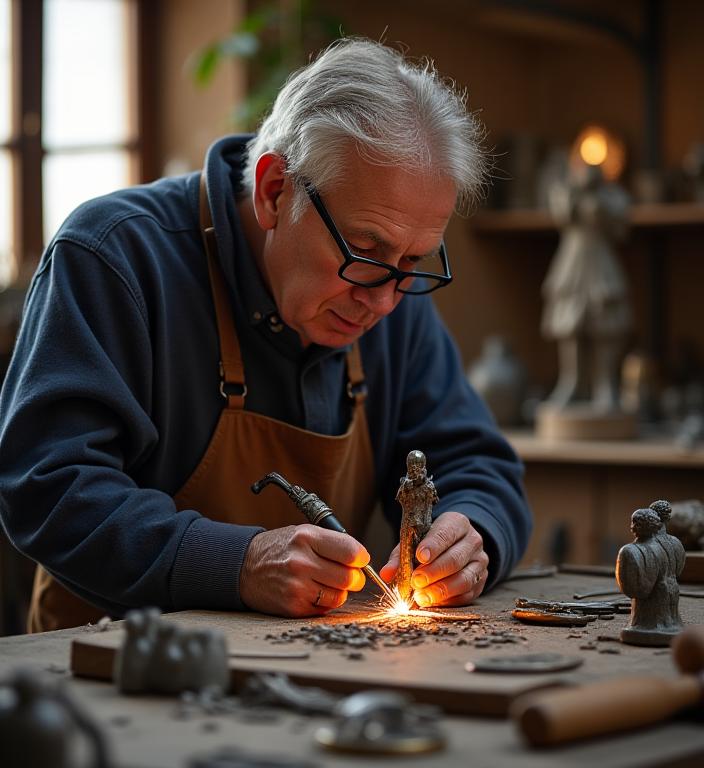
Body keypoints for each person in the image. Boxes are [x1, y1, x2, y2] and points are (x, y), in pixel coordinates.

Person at [0, 37, 531, 632]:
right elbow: (48, 488)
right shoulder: (114, 256)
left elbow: (477, 461)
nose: (384, 300)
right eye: (365, 251)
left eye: (413, 262)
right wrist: (235, 563)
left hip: (310, 671)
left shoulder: (388, 287)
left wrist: (473, 532)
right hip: (109, 672)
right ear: (275, 190)